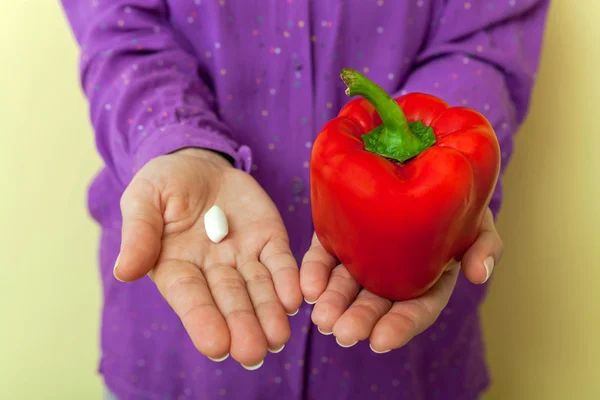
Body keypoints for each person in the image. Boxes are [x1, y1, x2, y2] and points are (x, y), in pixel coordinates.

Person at [60, 1, 549, 399]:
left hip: (402, 366)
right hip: (179, 339)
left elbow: (484, 39)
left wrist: (444, 169)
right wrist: (179, 141)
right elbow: (121, 29)